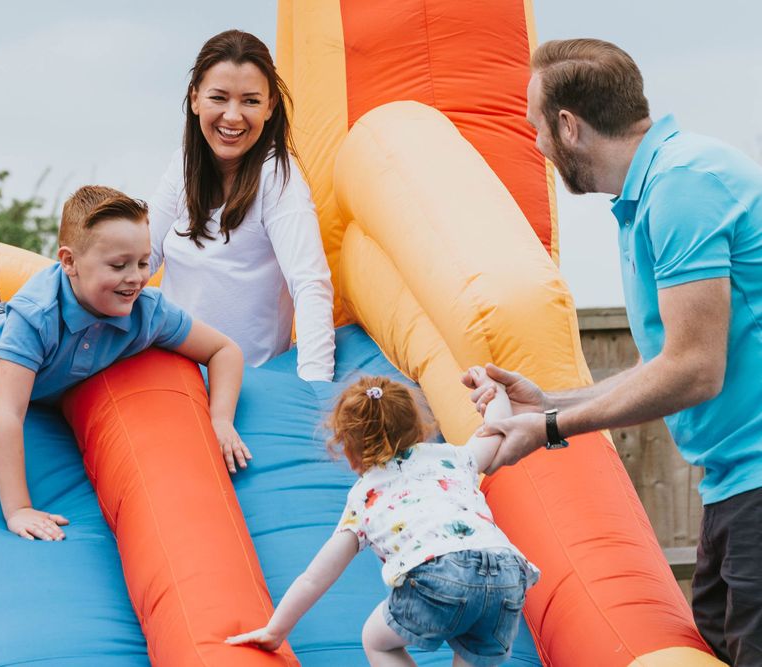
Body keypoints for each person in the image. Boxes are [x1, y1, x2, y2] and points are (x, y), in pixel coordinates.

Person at [464, 38, 762, 665]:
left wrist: (549, 427)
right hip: (732, 488)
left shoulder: (684, 187)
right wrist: (551, 399)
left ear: (568, 126)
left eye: (536, 128)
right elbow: (669, 366)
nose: (538, 145)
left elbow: (694, 371)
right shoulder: (655, 190)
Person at [0, 185, 248, 541]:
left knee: (3, 318)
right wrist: (18, 508)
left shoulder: (148, 310)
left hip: (28, 336)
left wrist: (220, 420)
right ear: (68, 262)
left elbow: (225, 351)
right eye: (118, 265)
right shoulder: (35, 319)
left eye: (142, 262)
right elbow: (6, 415)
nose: (136, 278)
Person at [227, 373, 539, 666]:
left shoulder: (365, 495)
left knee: (377, 641)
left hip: (441, 573)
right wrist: (492, 387)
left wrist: (275, 630)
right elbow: (497, 428)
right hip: (507, 576)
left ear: (350, 452)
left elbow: (315, 576)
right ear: (418, 428)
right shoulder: (452, 458)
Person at [149, 29, 336, 381]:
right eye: (218, 98)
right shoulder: (184, 164)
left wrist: (315, 388)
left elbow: (309, 284)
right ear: (195, 100)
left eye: (250, 101)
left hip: (246, 378)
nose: (232, 117)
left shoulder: (279, 179)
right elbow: (144, 255)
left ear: (270, 107)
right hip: (174, 371)